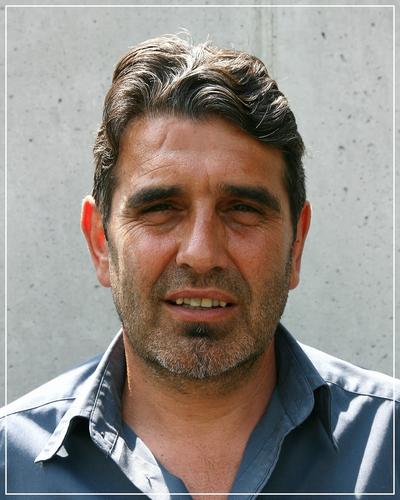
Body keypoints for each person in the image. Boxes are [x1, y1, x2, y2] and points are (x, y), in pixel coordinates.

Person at [1, 34, 398, 499]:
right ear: (100, 242)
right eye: (160, 208)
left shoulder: (388, 448)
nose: (201, 253)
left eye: (242, 209)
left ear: (296, 245)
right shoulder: (11, 469)